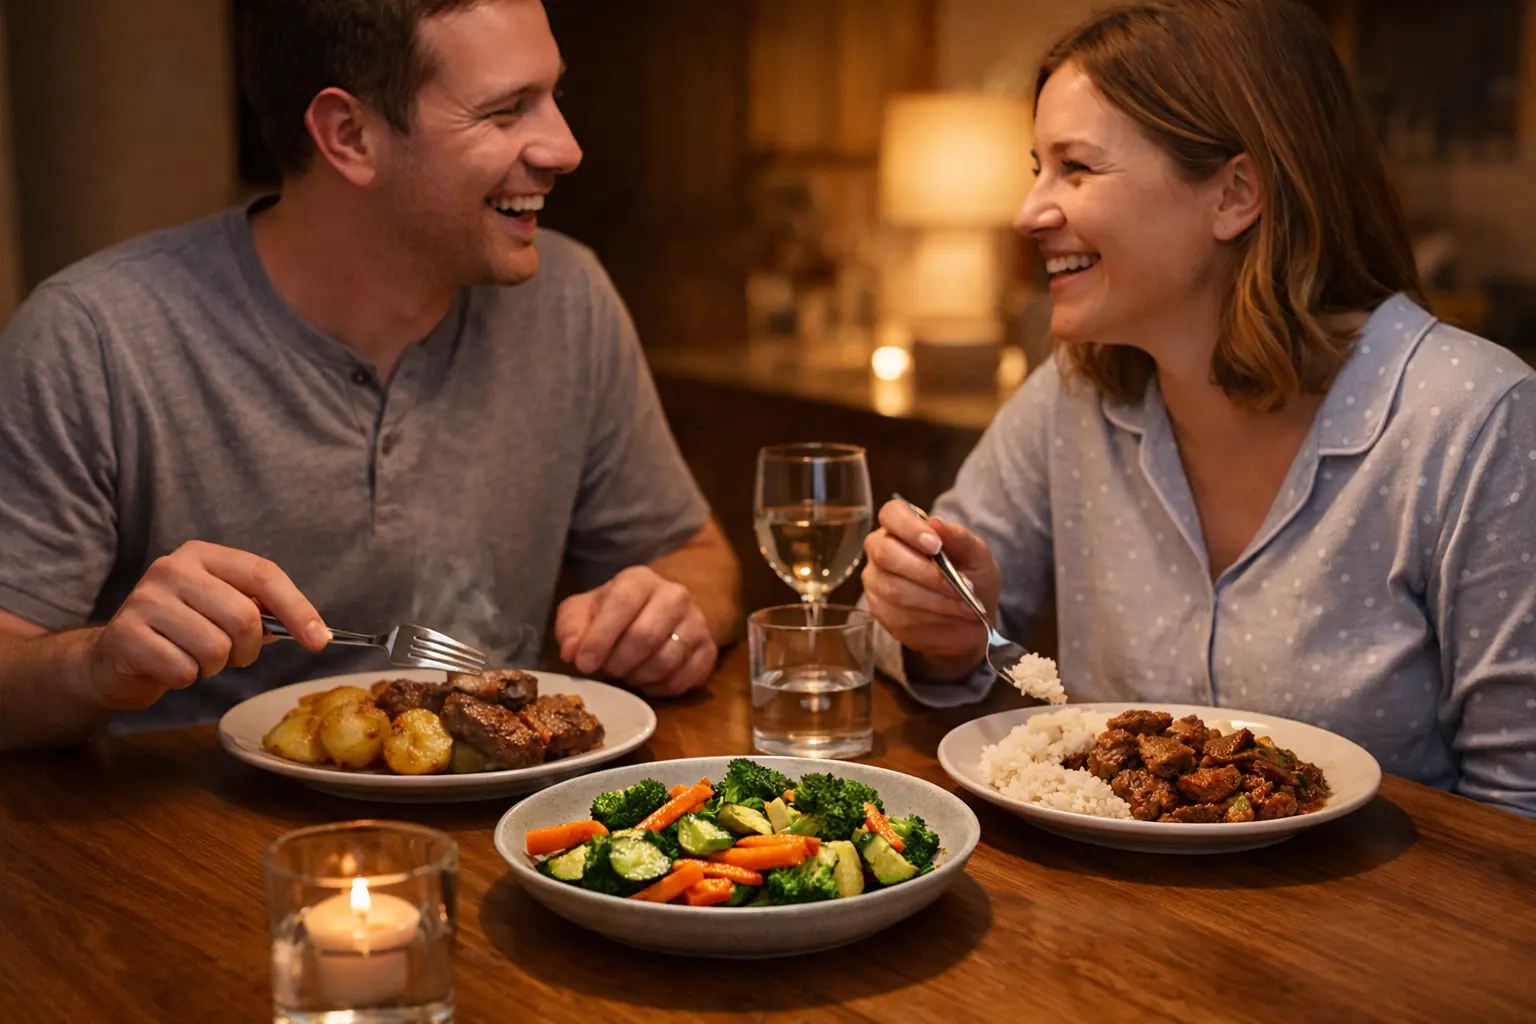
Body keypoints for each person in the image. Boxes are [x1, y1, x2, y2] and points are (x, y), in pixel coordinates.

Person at [0, 0, 741, 752]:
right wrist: (97, 666)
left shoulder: (569, 297)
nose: (567, 147)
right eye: (506, 110)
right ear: (349, 136)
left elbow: (696, 558)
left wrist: (674, 614)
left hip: (507, 814)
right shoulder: (94, 336)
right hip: (179, 821)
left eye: (554, 95)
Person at [862, 0, 1536, 816]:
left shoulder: (1472, 419)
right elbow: (898, 638)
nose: (1029, 212)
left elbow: (1520, 805)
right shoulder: (1072, 398)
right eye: (1037, 167)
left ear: (1235, 194)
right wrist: (938, 629)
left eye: (1076, 168)